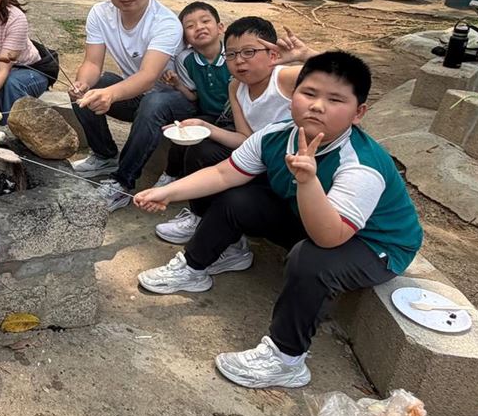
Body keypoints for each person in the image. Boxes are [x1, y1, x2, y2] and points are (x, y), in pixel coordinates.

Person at [133, 52, 423, 389]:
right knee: (238, 197)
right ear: (292, 96)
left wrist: (308, 181)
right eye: (309, 93)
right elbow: (224, 173)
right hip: (313, 218)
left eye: (335, 100)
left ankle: (286, 359)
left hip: (374, 244)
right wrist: (166, 193)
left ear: (358, 113)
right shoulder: (276, 134)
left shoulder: (359, 165)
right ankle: (194, 268)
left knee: (311, 259)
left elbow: (330, 237)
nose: (317, 106)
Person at [155, 17, 316, 248]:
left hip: (292, 167)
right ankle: (199, 217)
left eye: (249, 52)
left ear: (272, 53)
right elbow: (244, 139)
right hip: (258, 158)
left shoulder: (285, 78)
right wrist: (205, 127)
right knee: (201, 148)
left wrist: (307, 55)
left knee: (234, 195)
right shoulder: (236, 86)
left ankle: (227, 233)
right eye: (231, 54)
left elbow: (345, 78)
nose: (239, 60)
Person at [69, 0, 193, 211]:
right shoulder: (100, 13)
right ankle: (104, 155)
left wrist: (110, 94)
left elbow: (148, 76)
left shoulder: (165, 23)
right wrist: (83, 84)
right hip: (138, 95)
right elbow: (92, 63)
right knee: (88, 89)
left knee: (154, 102)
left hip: (179, 99)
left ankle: (122, 183)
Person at [157, 1, 230, 188]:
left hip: (236, 118)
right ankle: (170, 174)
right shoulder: (185, 59)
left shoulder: (233, 55)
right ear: (185, 37)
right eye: (190, 26)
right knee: (183, 133)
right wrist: (177, 84)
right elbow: (193, 96)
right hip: (209, 114)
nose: (199, 27)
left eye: (205, 21)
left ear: (220, 27)